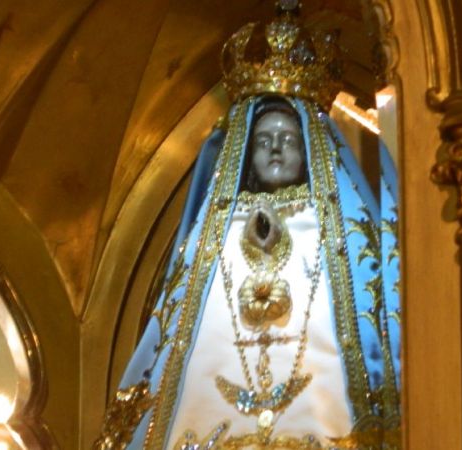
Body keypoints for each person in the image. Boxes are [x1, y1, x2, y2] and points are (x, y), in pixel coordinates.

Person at [94, 3, 400, 449]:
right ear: (245, 150)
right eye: (264, 141)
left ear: (310, 149)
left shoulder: (337, 229)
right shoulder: (216, 230)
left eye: (288, 140)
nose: (276, 150)